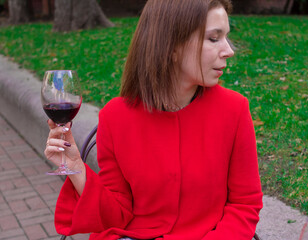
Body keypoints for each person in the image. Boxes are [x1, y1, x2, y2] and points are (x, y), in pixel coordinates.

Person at [44, 0, 263, 239]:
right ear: (172, 46)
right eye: (213, 38)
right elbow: (116, 215)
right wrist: (76, 168)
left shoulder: (234, 109)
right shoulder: (116, 116)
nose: (229, 50)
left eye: (226, 37)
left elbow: (244, 205)